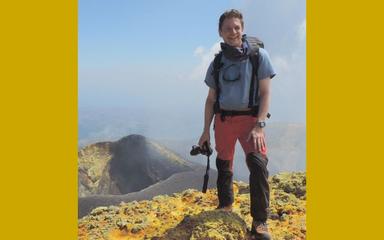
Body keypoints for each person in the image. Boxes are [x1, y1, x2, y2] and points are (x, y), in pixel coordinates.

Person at [198, 9, 276, 240]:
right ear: (220, 32)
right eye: (228, 29)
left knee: (258, 165)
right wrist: (205, 132)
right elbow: (211, 99)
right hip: (223, 121)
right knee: (224, 164)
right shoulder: (218, 62)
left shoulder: (259, 56)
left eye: (237, 28)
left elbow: (265, 93)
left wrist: (260, 125)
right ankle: (225, 207)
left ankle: (260, 222)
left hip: (252, 121)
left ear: (242, 29)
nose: (233, 32)